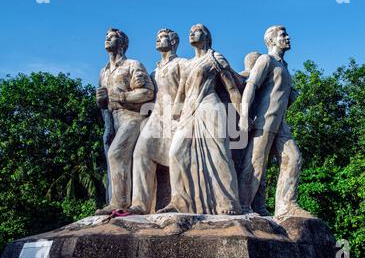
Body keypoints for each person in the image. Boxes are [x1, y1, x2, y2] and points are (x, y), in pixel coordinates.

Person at [158, 24, 243, 215]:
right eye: (190, 30)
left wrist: (243, 115)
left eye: (196, 30)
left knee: (218, 153)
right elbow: (181, 93)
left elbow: (231, 89)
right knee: (176, 153)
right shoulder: (187, 64)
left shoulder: (215, 57)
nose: (191, 32)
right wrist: (173, 117)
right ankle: (179, 201)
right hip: (188, 111)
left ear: (206, 36)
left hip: (210, 107)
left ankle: (227, 202)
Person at [238, 26, 312, 218]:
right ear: (271, 41)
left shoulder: (284, 66)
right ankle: (244, 205)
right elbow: (251, 86)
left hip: (280, 123)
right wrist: (244, 115)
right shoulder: (266, 60)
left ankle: (285, 205)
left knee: (294, 158)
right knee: (256, 164)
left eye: (287, 34)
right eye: (283, 35)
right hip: (264, 120)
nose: (288, 38)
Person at [95, 28, 155, 215]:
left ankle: (119, 203)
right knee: (113, 155)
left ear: (123, 44)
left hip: (133, 117)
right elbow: (104, 104)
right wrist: (101, 101)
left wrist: (121, 96)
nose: (107, 39)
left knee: (116, 153)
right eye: (106, 36)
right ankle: (117, 199)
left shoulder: (132, 65)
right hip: (114, 120)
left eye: (112, 37)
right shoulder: (103, 72)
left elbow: (147, 92)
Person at [128, 28, 187, 214]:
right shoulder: (154, 71)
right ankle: (140, 204)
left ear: (174, 41)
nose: (158, 40)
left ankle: (179, 201)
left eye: (162, 37)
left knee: (176, 156)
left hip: (178, 116)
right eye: (157, 37)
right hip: (156, 117)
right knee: (141, 153)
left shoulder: (182, 63)